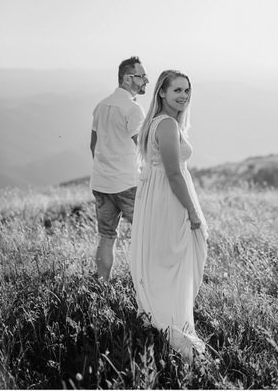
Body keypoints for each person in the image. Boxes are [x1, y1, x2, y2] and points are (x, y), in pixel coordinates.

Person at [130, 70, 208, 360]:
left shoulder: (158, 122)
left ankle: (163, 311)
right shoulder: (166, 125)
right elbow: (174, 174)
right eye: (177, 90)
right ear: (161, 92)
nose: (184, 96)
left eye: (187, 91)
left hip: (158, 198)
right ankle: (172, 318)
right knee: (173, 258)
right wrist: (192, 210)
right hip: (169, 199)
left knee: (164, 257)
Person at [90, 56, 148, 280]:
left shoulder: (100, 106)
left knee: (106, 236)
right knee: (147, 232)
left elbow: (93, 146)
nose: (145, 81)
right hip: (126, 184)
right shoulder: (133, 109)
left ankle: (101, 286)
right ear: (127, 78)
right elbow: (143, 147)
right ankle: (145, 284)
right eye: (141, 76)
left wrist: (104, 169)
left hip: (101, 182)